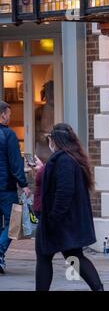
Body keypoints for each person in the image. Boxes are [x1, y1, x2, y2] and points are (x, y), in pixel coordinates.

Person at [35, 123, 103, 291]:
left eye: (50, 139)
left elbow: (64, 192)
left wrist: (53, 218)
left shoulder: (63, 160)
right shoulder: (71, 158)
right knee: (74, 256)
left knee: (46, 257)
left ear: (55, 140)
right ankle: (98, 288)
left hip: (60, 221)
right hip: (68, 222)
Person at [0, 101, 31, 274]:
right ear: (3, 114)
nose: (10, 117)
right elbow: (14, 162)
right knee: (14, 222)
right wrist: (24, 184)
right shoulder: (8, 135)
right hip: (6, 188)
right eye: (9, 114)